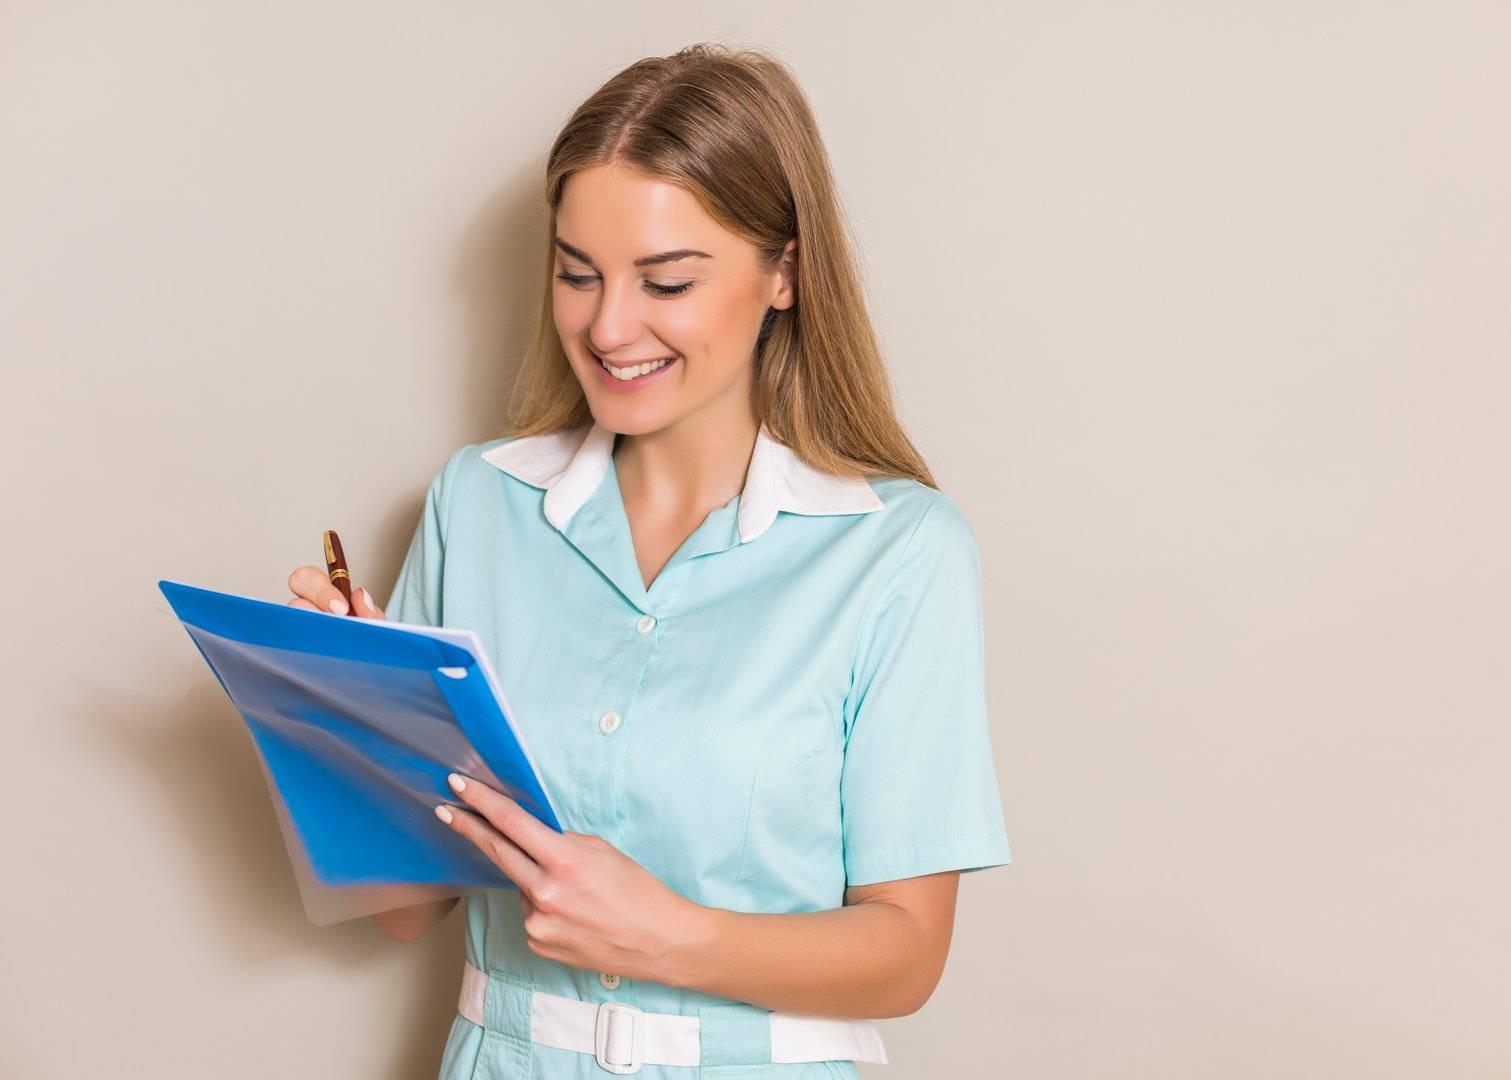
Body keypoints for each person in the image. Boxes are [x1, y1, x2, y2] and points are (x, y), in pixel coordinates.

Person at [285, 42, 1011, 1079]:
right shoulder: (478, 504)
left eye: (665, 280)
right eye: (577, 273)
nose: (607, 325)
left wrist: (668, 934)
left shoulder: (899, 551)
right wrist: (345, 712)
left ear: (785, 274)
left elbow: (904, 954)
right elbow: (405, 912)